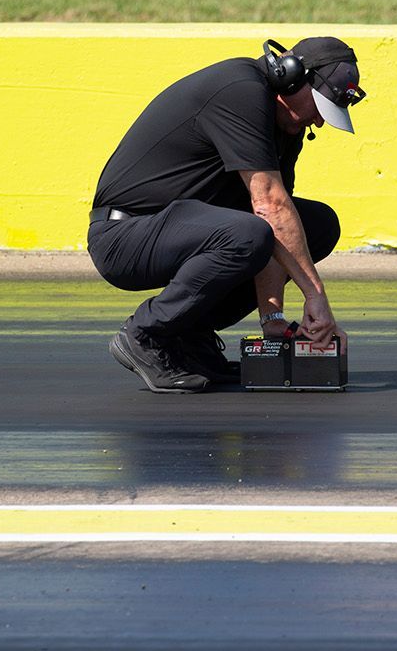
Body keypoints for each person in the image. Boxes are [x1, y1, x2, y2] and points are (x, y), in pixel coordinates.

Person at [87, 37, 365, 393]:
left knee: (315, 226)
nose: (320, 123)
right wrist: (316, 297)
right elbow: (268, 210)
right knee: (251, 234)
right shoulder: (241, 91)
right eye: (320, 107)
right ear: (291, 76)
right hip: (124, 237)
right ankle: (145, 333)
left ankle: (189, 335)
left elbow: (277, 227)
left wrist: (273, 320)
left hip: (185, 229)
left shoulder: (286, 126)